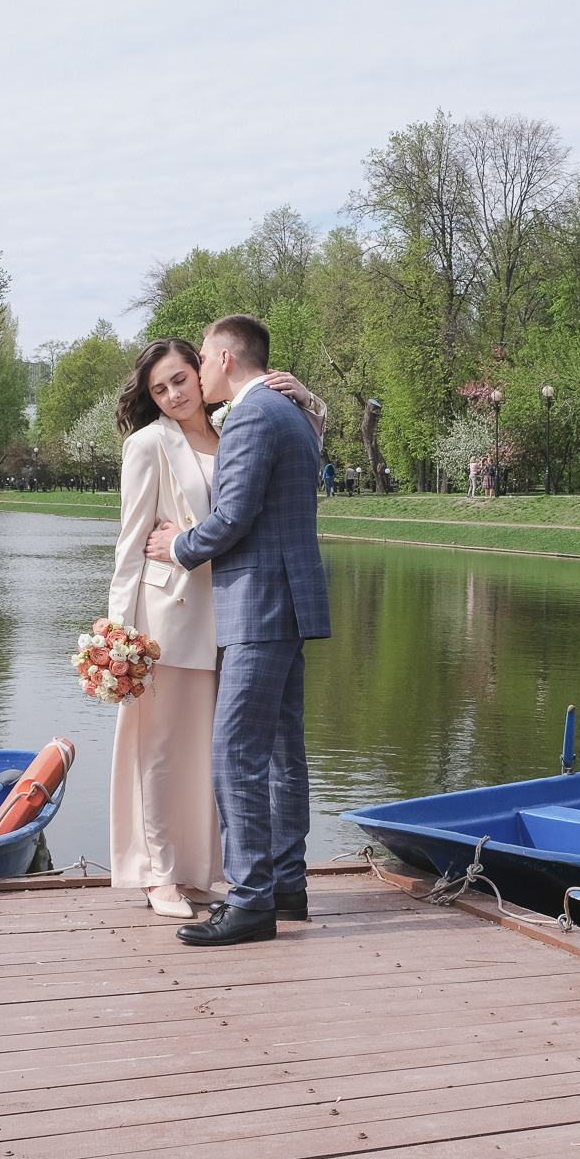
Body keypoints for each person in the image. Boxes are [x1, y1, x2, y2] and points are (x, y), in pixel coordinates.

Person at [109, 335, 324, 920]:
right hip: (165, 619)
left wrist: (313, 403)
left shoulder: (239, 425)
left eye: (182, 377)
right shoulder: (147, 444)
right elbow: (131, 546)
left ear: (203, 372)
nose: (175, 393)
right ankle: (159, 875)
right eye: (160, 389)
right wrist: (117, 635)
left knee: (215, 754)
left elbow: (274, 479)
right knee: (158, 749)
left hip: (230, 616)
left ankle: (203, 872)